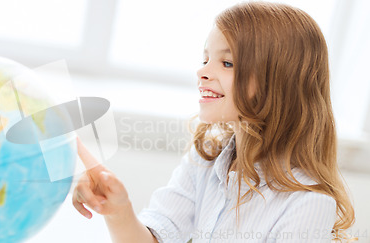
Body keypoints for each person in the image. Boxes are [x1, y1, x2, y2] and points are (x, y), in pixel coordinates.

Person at [72, 2, 356, 242]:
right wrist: (119, 210)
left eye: (227, 63)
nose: (202, 71)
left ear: (278, 84)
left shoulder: (308, 204)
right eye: (206, 58)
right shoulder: (206, 159)